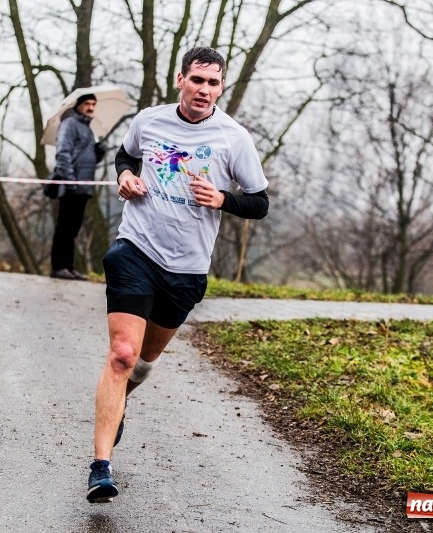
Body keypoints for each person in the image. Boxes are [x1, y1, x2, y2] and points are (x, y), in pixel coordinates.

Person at [86, 46, 269, 503]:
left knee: (143, 363)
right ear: (180, 80)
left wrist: (224, 199)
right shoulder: (149, 121)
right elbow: (125, 158)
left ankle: (121, 399)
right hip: (136, 249)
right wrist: (126, 178)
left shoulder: (233, 138)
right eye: (197, 80)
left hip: (186, 270)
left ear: (221, 87)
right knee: (122, 354)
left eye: (213, 83)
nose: (204, 90)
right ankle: (101, 466)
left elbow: (260, 202)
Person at [50, 93, 104, 280]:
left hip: (83, 187)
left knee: (73, 228)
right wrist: (70, 180)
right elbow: (63, 153)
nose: (90, 107)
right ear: (79, 106)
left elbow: (87, 158)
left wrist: (99, 153)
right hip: (71, 185)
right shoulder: (70, 124)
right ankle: (58, 267)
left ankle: (69, 267)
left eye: (93, 104)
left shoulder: (88, 129)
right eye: (87, 104)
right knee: (64, 227)